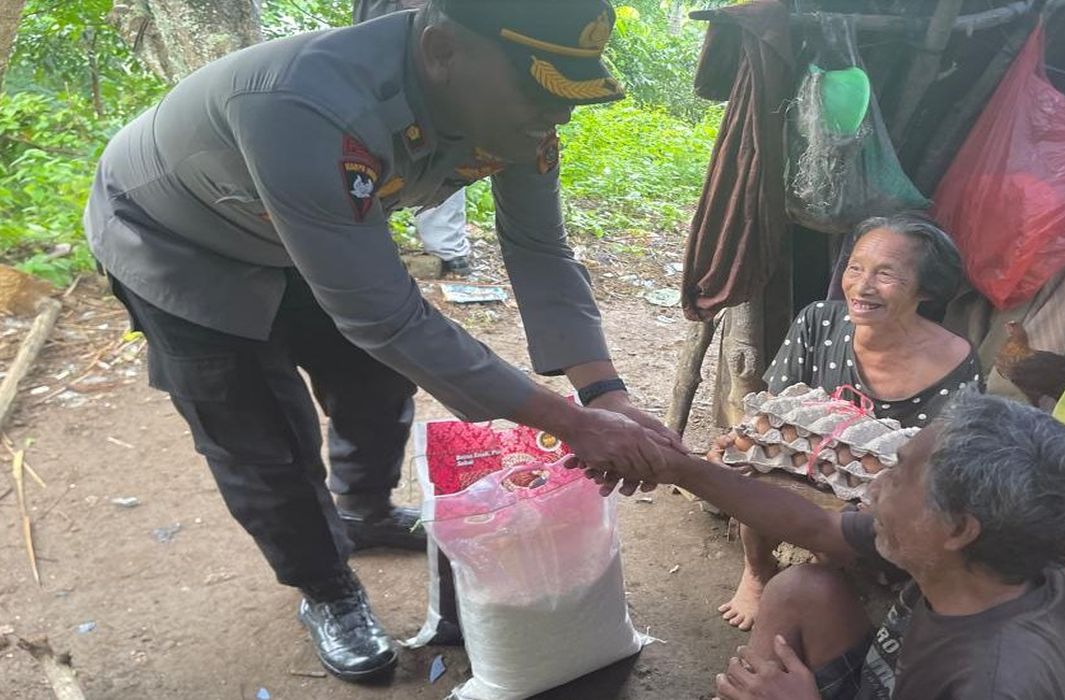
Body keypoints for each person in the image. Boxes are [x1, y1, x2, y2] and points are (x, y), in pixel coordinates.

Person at [84, 0, 676, 682]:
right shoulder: (303, 104)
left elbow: (540, 247)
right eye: (538, 86)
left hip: (315, 229)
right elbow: (387, 319)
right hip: (181, 240)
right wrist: (572, 424)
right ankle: (326, 588)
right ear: (442, 48)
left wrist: (605, 392)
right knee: (261, 434)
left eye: (568, 92)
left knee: (375, 381)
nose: (559, 113)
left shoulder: (518, 111)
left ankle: (363, 514)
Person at [590, 392, 1065, 700]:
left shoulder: (998, 681)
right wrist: (678, 466)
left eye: (902, 473)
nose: (875, 486)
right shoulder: (1001, 564)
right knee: (802, 588)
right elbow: (815, 528)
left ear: (958, 529)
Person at [716, 213, 981, 630]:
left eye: (886, 274)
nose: (862, 285)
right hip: (798, 467)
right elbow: (774, 410)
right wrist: (740, 439)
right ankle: (756, 569)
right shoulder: (818, 322)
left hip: (879, 493)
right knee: (750, 462)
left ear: (926, 289)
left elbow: (938, 464)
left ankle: (840, 571)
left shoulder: (956, 362)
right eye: (855, 268)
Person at [354, 0, 473, 277]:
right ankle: (370, 238)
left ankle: (447, 249)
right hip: (380, 39)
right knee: (370, 142)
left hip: (433, 29)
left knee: (445, 134)